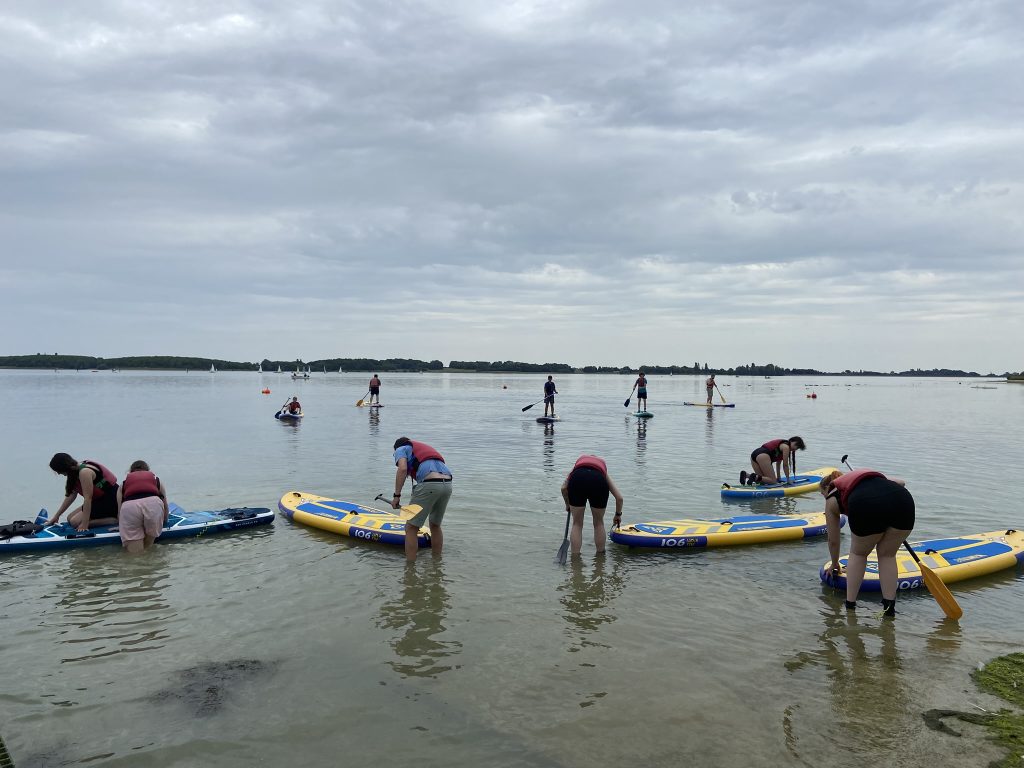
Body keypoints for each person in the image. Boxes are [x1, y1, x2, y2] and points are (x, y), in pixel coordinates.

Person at [820, 469, 914, 616]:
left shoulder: (832, 497)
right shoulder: (863, 477)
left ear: (827, 488)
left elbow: (833, 541)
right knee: (887, 556)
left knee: (858, 554)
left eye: (822, 494)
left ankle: (850, 606)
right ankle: (889, 608)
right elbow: (901, 483)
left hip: (865, 502)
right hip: (904, 501)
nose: (823, 497)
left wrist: (834, 563)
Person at [391, 437, 453, 562]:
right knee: (435, 525)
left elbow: (402, 469)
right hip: (447, 484)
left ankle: (410, 568)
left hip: (430, 483)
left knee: (411, 528)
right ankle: (436, 563)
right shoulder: (421, 448)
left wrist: (396, 496)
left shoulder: (401, 448)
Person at [559, 455, 624, 557]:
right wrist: (617, 515)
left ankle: (575, 559)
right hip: (598, 480)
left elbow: (563, 488)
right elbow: (619, 498)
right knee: (599, 523)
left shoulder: (576, 468)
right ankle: (600, 558)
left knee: (577, 524)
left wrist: (568, 505)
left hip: (578, 479)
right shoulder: (602, 469)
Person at [46, 453, 120, 530]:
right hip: (99, 500)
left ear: (63, 467)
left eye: (58, 471)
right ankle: (99, 519)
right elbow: (71, 496)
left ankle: (112, 520)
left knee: (75, 522)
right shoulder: (74, 471)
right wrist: (56, 516)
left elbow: (88, 498)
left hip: (111, 500)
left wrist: (85, 524)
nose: (58, 473)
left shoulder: (84, 472)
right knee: (69, 518)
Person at [116, 460, 169, 554]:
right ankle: (148, 554)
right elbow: (165, 505)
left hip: (129, 507)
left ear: (130, 472)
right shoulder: (156, 480)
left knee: (135, 553)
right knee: (148, 544)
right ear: (148, 470)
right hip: (153, 504)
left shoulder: (123, 484)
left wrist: (121, 526)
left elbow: (120, 511)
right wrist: (164, 520)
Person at [742, 436, 806, 486]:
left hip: (754, 455)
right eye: (796, 445)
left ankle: (746, 475)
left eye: (797, 448)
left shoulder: (783, 446)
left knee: (763, 481)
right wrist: (788, 480)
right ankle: (754, 476)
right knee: (772, 481)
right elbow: (785, 465)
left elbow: (778, 464)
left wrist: (779, 478)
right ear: (791, 441)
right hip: (763, 455)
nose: (795, 448)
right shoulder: (786, 447)